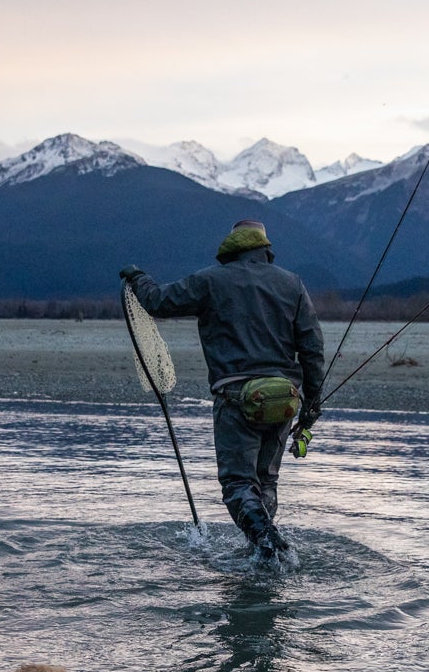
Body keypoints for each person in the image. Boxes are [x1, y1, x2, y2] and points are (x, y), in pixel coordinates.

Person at [121, 219, 324, 560]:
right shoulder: (292, 284)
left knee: (237, 485)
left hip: (237, 400)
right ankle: (264, 554)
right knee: (265, 483)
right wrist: (311, 407)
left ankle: (267, 544)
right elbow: (312, 348)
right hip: (285, 401)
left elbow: (157, 302)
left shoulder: (210, 280)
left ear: (231, 246)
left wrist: (137, 278)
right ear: (265, 249)